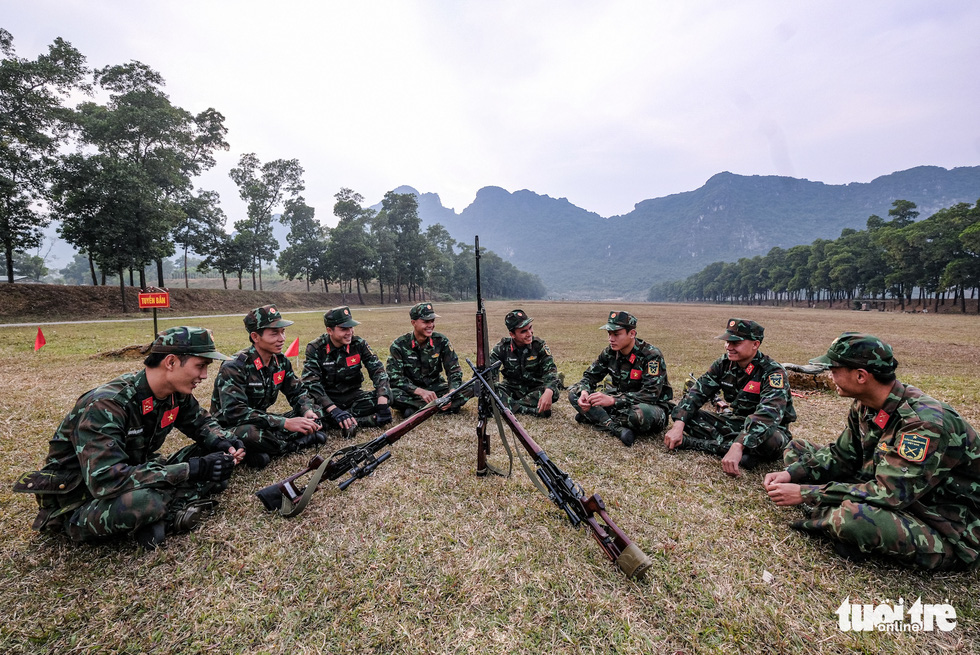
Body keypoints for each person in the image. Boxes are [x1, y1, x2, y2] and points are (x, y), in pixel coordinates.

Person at [14, 327, 245, 550]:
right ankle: (165, 510)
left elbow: (201, 423)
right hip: (81, 499)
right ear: (171, 362)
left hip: (134, 473)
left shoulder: (175, 394)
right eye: (200, 366)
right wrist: (191, 470)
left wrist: (224, 441)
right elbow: (105, 481)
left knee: (215, 458)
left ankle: (163, 515)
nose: (204, 375)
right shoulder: (106, 404)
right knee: (146, 501)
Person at [765, 332, 980, 570]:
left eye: (834, 369)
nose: (830, 376)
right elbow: (843, 455)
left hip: (942, 520)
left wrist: (806, 493)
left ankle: (835, 521)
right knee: (798, 448)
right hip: (886, 485)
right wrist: (792, 474)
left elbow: (890, 493)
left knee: (854, 519)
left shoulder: (923, 425)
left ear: (860, 376)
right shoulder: (865, 403)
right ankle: (833, 517)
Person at [664, 318, 795, 477]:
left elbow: (768, 415)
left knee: (770, 442)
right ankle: (746, 455)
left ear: (755, 344)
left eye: (735, 343)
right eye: (727, 341)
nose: (728, 346)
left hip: (767, 430)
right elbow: (697, 392)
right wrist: (678, 425)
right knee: (684, 416)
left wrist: (738, 445)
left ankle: (692, 444)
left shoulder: (773, 372)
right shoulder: (723, 364)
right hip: (735, 422)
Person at [210, 305, 321, 469]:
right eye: (274, 333)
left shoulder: (280, 361)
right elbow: (235, 413)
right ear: (255, 336)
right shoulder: (234, 366)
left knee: (317, 411)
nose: (282, 338)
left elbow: (297, 392)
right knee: (250, 434)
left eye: (283, 332)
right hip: (232, 426)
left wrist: (307, 411)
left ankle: (262, 450)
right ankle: (292, 445)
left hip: (261, 420)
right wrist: (285, 423)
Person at [568, 310, 673, 447]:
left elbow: (650, 394)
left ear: (632, 334)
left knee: (640, 415)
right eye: (609, 334)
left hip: (650, 407)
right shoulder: (610, 352)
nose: (611, 339)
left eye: (616, 334)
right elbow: (589, 377)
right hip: (620, 403)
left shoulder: (651, 356)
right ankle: (615, 427)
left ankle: (597, 417)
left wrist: (612, 400)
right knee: (573, 394)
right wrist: (584, 392)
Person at [302, 305, 392, 439]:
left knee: (389, 395)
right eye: (344, 329)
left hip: (354, 397)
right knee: (312, 414)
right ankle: (364, 420)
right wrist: (334, 410)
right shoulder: (316, 348)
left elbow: (378, 371)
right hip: (326, 400)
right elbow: (311, 383)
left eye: (351, 327)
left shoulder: (359, 344)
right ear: (329, 330)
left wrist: (382, 404)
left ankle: (336, 421)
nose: (349, 332)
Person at [388, 302, 469, 417]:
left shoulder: (441, 341)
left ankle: (418, 409)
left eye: (432, 321)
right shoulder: (399, 345)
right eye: (426, 322)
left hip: (436, 389)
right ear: (413, 323)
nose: (430, 325)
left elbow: (454, 371)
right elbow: (394, 378)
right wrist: (420, 392)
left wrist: (451, 393)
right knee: (391, 395)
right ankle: (442, 407)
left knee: (472, 385)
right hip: (412, 392)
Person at [489, 309, 562, 417]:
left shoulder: (539, 345)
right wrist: (494, 392)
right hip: (511, 389)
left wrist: (548, 391)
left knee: (553, 392)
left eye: (530, 328)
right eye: (523, 331)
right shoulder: (501, 348)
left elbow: (550, 370)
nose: (529, 333)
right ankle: (528, 410)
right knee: (490, 392)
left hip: (534, 389)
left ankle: (508, 406)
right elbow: (490, 376)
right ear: (512, 334)